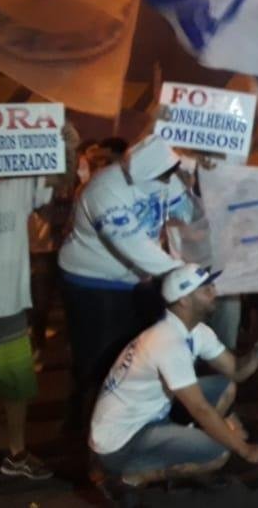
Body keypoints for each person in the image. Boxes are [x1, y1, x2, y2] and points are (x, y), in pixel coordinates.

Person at [91, 264, 258, 494]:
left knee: (225, 386)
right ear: (184, 300)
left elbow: (236, 371)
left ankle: (187, 455)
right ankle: (131, 477)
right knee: (219, 453)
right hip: (120, 443)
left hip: (149, 415)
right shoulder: (167, 342)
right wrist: (246, 450)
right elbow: (200, 409)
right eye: (206, 289)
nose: (214, 292)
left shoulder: (195, 331)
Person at [0, 122, 78, 491]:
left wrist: (69, 149)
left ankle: (16, 455)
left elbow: (62, 184)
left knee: (18, 389)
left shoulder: (16, 181)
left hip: (9, 307)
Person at [59, 135, 194, 430]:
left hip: (136, 282)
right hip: (93, 285)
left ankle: (133, 429)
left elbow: (187, 214)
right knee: (100, 363)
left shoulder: (163, 177)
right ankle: (91, 441)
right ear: (148, 172)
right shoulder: (103, 191)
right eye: (167, 174)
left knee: (135, 360)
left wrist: (192, 187)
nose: (170, 179)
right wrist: (187, 274)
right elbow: (134, 246)